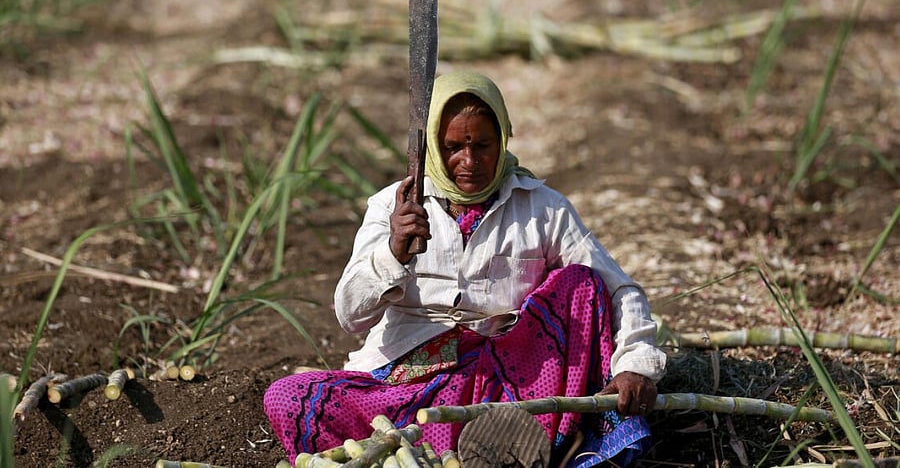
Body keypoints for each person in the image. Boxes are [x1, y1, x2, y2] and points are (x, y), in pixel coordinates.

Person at [264, 71, 666, 467]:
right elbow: (350, 316)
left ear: (504, 140)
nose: (469, 162)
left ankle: (520, 442)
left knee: (581, 283)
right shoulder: (394, 205)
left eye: (483, 146)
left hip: (514, 381)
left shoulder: (543, 207)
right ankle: (465, 448)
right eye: (453, 146)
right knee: (287, 396)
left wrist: (635, 363)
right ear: (432, 148)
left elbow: (619, 290)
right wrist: (393, 252)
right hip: (409, 383)